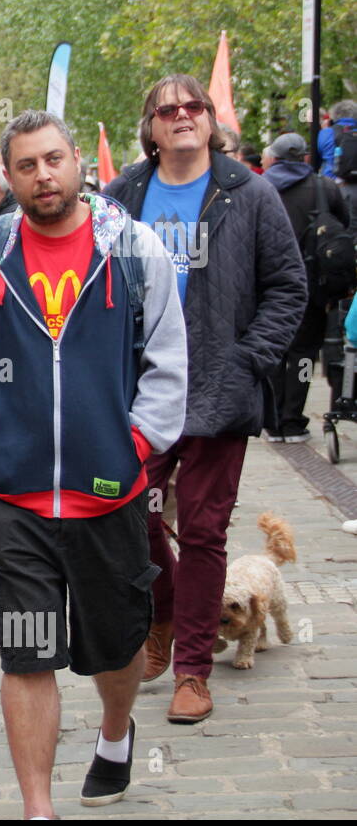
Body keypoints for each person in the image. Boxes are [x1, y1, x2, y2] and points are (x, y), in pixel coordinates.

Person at [0, 109, 188, 818]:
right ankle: (37, 808)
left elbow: (168, 364)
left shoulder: (135, 249)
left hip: (109, 494)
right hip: (17, 501)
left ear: (80, 161)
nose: (43, 175)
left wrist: (135, 447)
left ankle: (116, 730)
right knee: (28, 654)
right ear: (8, 176)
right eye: (26, 165)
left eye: (54, 159)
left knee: (116, 649)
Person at [105, 75, 307, 723]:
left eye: (193, 107)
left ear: (210, 119)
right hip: (139, 390)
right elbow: (91, 284)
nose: (181, 116)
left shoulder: (248, 192)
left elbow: (287, 287)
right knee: (125, 507)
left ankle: (193, 667)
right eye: (167, 109)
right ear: (151, 126)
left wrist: (248, 360)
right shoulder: (122, 196)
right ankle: (163, 608)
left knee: (203, 530)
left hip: (220, 392)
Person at [261, 132, 351, 442]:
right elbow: (343, 225)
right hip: (313, 287)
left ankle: (272, 420)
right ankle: (292, 420)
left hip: (268, 287)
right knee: (303, 357)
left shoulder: (260, 187)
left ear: (274, 157)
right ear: (304, 158)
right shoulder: (324, 187)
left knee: (273, 353)